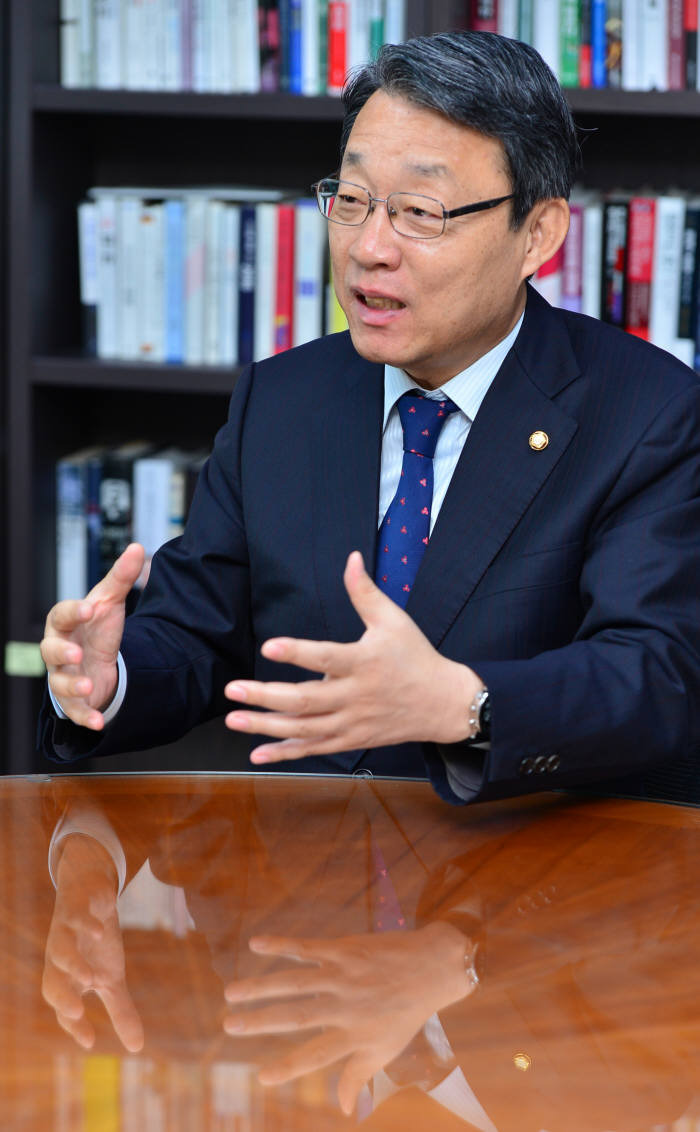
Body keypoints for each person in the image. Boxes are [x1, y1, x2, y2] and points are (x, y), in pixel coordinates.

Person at [39, 30, 700, 804]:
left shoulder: (646, 412)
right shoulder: (283, 397)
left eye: (420, 211)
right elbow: (196, 628)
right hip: (303, 861)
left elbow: (656, 674)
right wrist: (108, 676)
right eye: (351, 202)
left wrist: (466, 705)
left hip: (528, 862)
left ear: (538, 234)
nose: (370, 247)